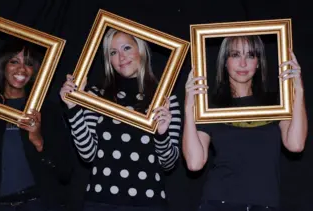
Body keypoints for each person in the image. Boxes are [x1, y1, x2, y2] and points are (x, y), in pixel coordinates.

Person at [59, 28, 181, 211]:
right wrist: (73, 107)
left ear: (141, 49)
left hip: (149, 203)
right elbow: (87, 155)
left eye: (126, 48)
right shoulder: (95, 96)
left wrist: (162, 134)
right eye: (113, 52)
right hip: (101, 202)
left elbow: (169, 163)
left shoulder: (165, 99)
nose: (121, 58)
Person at [183, 35, 307, 211]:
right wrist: (189, 107)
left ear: (258, 62)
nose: (243, 63)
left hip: (266, 205)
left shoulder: (276, 103)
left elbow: (296, 144)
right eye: (235, 55)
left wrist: (299, 90)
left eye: (250, 55)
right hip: (219, 203)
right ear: (225, 62)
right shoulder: (210, 108)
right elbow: (194, 163)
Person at [0, 40, 74, 211]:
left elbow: (65, 171)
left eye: (28, 63)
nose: (21, 69)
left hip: (38, 204)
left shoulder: (47, 110)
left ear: (34, 70)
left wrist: (39, 142)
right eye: (14, 61)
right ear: (3, 65)